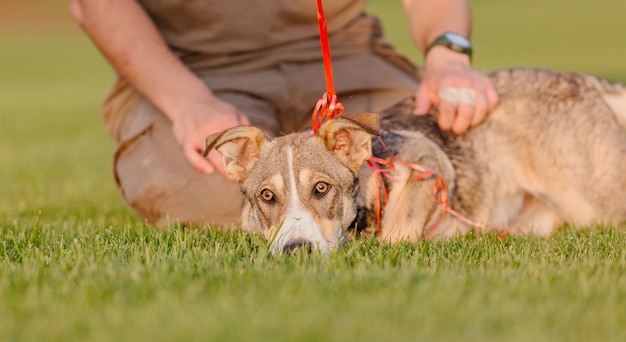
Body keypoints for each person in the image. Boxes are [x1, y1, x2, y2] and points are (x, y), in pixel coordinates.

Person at [70, 0, 498, 227]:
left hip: (343, 53)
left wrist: (448, 55)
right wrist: (187, 102)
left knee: (451, 146)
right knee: (219, 197)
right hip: (190, 70)